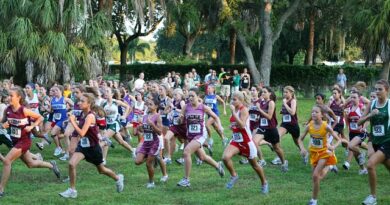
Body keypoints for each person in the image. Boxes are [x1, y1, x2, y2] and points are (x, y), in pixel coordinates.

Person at [59, 93, 124, 198]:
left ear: (89, 104)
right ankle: (72, 190)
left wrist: (72, 122)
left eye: (82, 101)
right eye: (79, 101)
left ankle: (117, 178)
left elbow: (82, 133)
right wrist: (70, 120)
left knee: (101, 170)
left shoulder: (90, 116)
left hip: (93, 148)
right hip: (83, 146)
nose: (79, 103)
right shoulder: (82, 114)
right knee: (71, 164)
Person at [0, 87, 61, 197]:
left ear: (19, 97)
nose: (8, 98)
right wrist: (2, 125)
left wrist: (32, 126)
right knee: (31, 164)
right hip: (15, 141)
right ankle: (51, 165)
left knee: (7, 161)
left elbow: (40, 118)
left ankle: (1, 190)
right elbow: (2, 122)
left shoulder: (24, 110)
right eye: (8, 95)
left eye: (11, 95)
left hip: (24, 141)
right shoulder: (7, 110)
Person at [176, 87, 225, 187]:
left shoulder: (203, 107)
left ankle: (186, 179)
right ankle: (218, 165)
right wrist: (180, 119)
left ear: (198, 96)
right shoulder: (185, 107)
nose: (190, 98)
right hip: (190, 136)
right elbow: (179, 122)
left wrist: (220, 126)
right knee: (202, 157)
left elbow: (215, 117)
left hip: (200, 135)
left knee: (186, 151)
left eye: (192, 96)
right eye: (189, 96)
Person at [222, 91, 269, 193]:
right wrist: (232, 126)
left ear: (241, 100)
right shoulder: (235, 109)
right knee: (225, 157)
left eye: (234, 99)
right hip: (236, 140)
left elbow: (243, 125)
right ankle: (234, 176)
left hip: (246, 142)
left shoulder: (244, 110)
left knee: (255, 165)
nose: (232, 101)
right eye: (232, 99)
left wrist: (234, 113)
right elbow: (236, 124)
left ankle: (264, 183)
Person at [298, 105, 341, 205]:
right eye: (312, 112)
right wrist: (302, 148)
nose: (313, 113)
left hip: (324, 153)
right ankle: (329, 167)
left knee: (315, 176)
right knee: (317, 178)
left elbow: (339, 139)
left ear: (322, 115)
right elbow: (300, 139)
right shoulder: (309, 126)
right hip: (314, 153)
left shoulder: (326, 126)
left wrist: (333, 147)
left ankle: (314, 200)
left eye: (316, 112)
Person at [358, 80, 390, 205]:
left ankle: (373, 197)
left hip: (388, 141)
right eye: (376, 89)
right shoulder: (371, 104)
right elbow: (359, 122)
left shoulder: (389, 105)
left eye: (380, 89)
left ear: (386, 90)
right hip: (375, 141)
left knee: (370, 164)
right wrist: (370, 115)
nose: (377, 92)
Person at [135, 94, 168, 188]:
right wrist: (140, 128)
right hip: (146, 142)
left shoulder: (158, 117)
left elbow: (159, 132)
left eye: (150, 104)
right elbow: (143, 131)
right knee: (137, 161)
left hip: (155, 142)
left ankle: (151, 182)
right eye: (148, 104)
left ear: (156, 106)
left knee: (148, 163)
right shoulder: (145, 116)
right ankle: (153, 156)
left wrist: (152, 125)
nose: (148, 106)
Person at [253, 87, 288, 172]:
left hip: (271, 128)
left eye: (265, 92)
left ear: (270, 94)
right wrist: (258, 118)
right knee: (254, 142)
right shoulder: (261, 102)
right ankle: (261, 160)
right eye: (262, 92)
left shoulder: (271, 102)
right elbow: (262, 115)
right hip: (262, 128)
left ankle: (284, 162)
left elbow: (269, 116)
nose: (262, 93)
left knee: (276, 148)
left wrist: (259, 109)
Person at [272, 86, 300, 165]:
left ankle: (304, 153)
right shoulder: (285, 100)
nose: (284, 94)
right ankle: (278, 157)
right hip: (285, 124)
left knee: (297, 142)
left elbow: (292, 112)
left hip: (293, 124)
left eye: (286, 92)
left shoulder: (293, 101)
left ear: (291, 93)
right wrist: (282, 111)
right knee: (277, 136)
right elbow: (286, 111)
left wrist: (285, 104)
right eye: (284, 92)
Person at [344, 91, 368, 175]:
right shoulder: (348, 109)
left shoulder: (362, 108)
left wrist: (363, 127)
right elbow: (347, 122)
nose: (352, 99)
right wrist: (348, 131)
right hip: (352, 133)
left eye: (354, 97)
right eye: (351, 97)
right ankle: (363, 169)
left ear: (359, 98)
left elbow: (367, 119)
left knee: (351, 146)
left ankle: (362, 153)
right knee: (354, 153)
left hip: (360, 132)